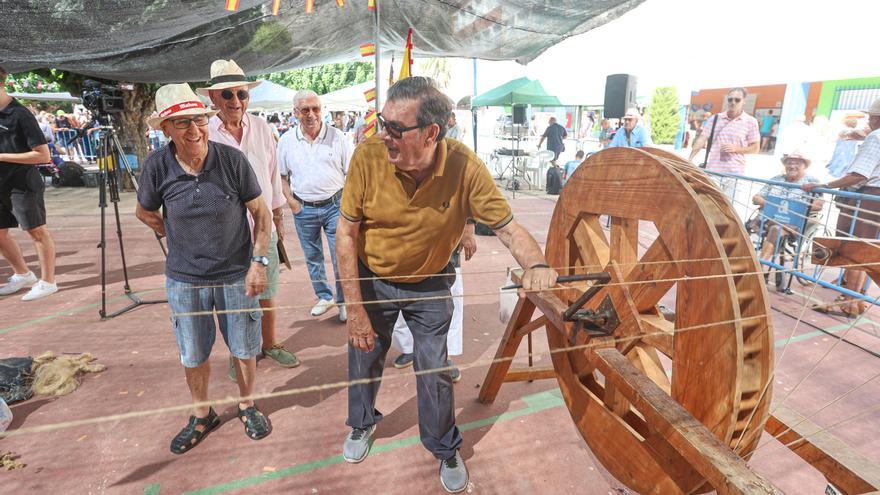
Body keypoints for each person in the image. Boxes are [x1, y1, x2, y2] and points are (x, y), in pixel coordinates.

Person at [336, 76, 558, 493]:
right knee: (364, 354)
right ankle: (362, 424)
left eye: (396, 129)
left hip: (431, 282)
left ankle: (443, 446)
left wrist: (538, 264)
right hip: (372, 277)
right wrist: (354, 309)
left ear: (432, 132)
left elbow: (508, 229)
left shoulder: (464, 166)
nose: (384, 135)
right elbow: (346, 234)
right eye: (382, 123)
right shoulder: (367, 157)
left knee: (435, 367)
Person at [135, 83, 273, 454]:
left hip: (235, 274)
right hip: (184, 280)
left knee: (244, 347)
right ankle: (202, 414)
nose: (193, 130)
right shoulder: (156, 166)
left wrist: (258, 263)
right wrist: (168, 229)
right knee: (192, 353)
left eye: (198, 120)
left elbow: (261, 214)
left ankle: (247, 405)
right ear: (165, 129)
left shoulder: (231, 161)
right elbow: (144, 211)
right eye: (182, 123)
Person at [198, 59, 299, 375]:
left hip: (263, 229)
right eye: (227, 95)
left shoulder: (262, 128)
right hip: (225, 233)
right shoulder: (205, 133)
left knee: (267, 291)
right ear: (213, 98)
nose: (235, 102)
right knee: (234, 297)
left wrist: (277, 217)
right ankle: (240, 351)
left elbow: (271, 177)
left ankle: (269, 343)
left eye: (241, 94)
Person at [277, 89, 353, 321]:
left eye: (316, 109)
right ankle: (324, 296)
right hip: (304, 209)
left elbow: (351, 174)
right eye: (305, 110)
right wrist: (292, 203)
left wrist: (347, 206)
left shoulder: (338, 137)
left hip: (335, 206)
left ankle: (342, 301)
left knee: (340, 254)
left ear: (321, 110)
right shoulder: (287, 140)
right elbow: (281, 177)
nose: (311, 114)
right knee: (312, 256)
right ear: (295, 113)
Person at [803, 98, 880, 318]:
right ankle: (855, 300)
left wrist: (825, 185)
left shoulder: (876, 137)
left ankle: (849, 301)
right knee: (869, 250)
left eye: (869, 117)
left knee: (855, 250)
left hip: (870, 197)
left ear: (875, 118)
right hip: (875, 198)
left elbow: (858, 175)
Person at [0, 66, 58, 301]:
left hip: (22, 184)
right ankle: (23, 274)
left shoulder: (20, 114)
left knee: (36, 231)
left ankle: (48, 281)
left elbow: (43, 156)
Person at [391, 221, 476, 380]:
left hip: (444, 226)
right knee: (400, 286)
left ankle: (446, 355)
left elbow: (467, 194)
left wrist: (469, 224)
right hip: (404, 230)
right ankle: (407, 346)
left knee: (451, 294)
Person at [751, 149, 822, 261]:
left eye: (797, 163)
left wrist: (793, 207)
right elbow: (756, 198)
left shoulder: (812, 181)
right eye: (789, 163)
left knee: (775, 228)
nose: (792, 166)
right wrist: (774, 206)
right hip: (770, 217)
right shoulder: (776, 179)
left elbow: (818, 205)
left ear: (805, 166)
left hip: (793, 222)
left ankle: (759, 265)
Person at [688, 87, 760, 197]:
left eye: (737, 100)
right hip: (713, 172)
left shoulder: (750, 122)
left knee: (728, 210)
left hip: (734, 174)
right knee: (710, 207)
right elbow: (702, 138)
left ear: (744, 101)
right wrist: (690, 158)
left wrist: (737, 149)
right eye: (730, 99)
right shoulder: (716, 118)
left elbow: (755, 148)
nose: (733, 103)